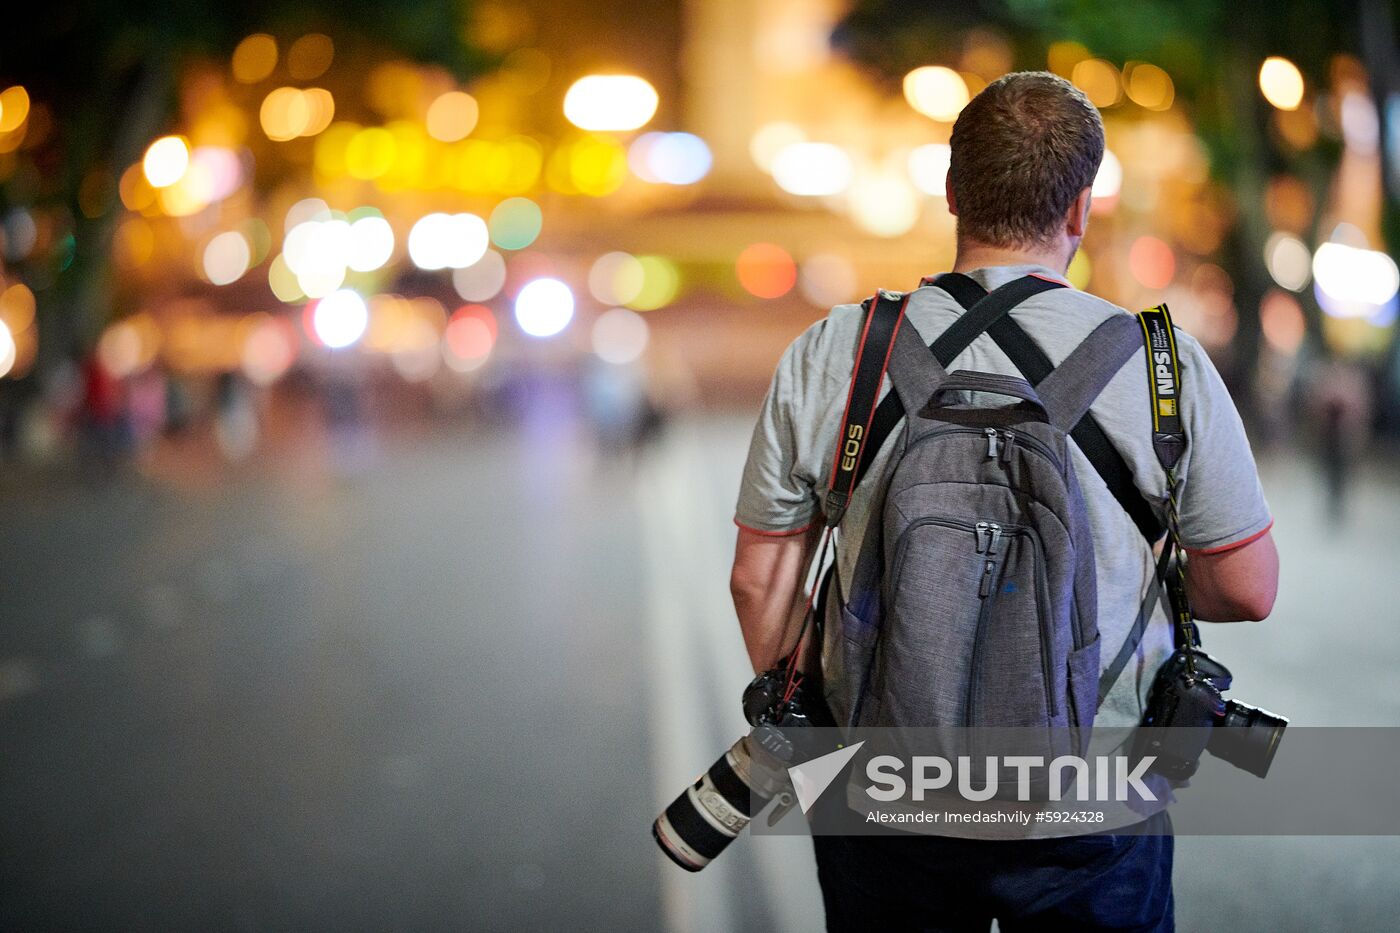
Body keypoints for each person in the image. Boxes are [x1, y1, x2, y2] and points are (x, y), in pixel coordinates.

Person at [729, 72, 1279, 931]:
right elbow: (1246, 587)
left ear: (952, 192)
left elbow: (759, 583)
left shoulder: (841, 347)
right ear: (1080, 208)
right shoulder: (1163, 366)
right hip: (1094, 797)